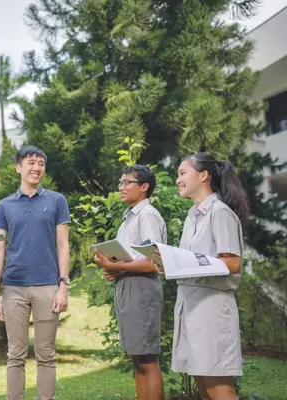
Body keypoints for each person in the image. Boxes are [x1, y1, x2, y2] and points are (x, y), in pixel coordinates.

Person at [164, 152, 249, 400]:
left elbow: (232, 262)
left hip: (211, 308)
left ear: (203, 176)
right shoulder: (192, 216)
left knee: (217, 385)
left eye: (182, 173)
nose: (177, 179)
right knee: (203, 383)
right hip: (191, 304)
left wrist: (187, 265)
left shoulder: (219, 212)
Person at [0, 145, 71, 400]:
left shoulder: (57, 201)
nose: (37, 168)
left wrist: (63, 286)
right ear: (18, 167)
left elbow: (62, 244)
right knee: (15, 354)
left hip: (48, 286)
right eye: (31, 163)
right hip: (14, 287)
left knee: (46, 353)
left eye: (41, 164)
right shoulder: (4, 206)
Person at [93, 164, 166, 400]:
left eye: (127, 183)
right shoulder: (128, 218)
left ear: (144, 187)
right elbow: (130, 258)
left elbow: (153, 262)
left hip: (142, 290)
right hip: (127, 286)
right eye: (120, 183)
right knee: (137, 359)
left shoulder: (148, 216)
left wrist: (116, 266)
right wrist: (113, 268)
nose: (121, 187)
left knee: (147, 359)